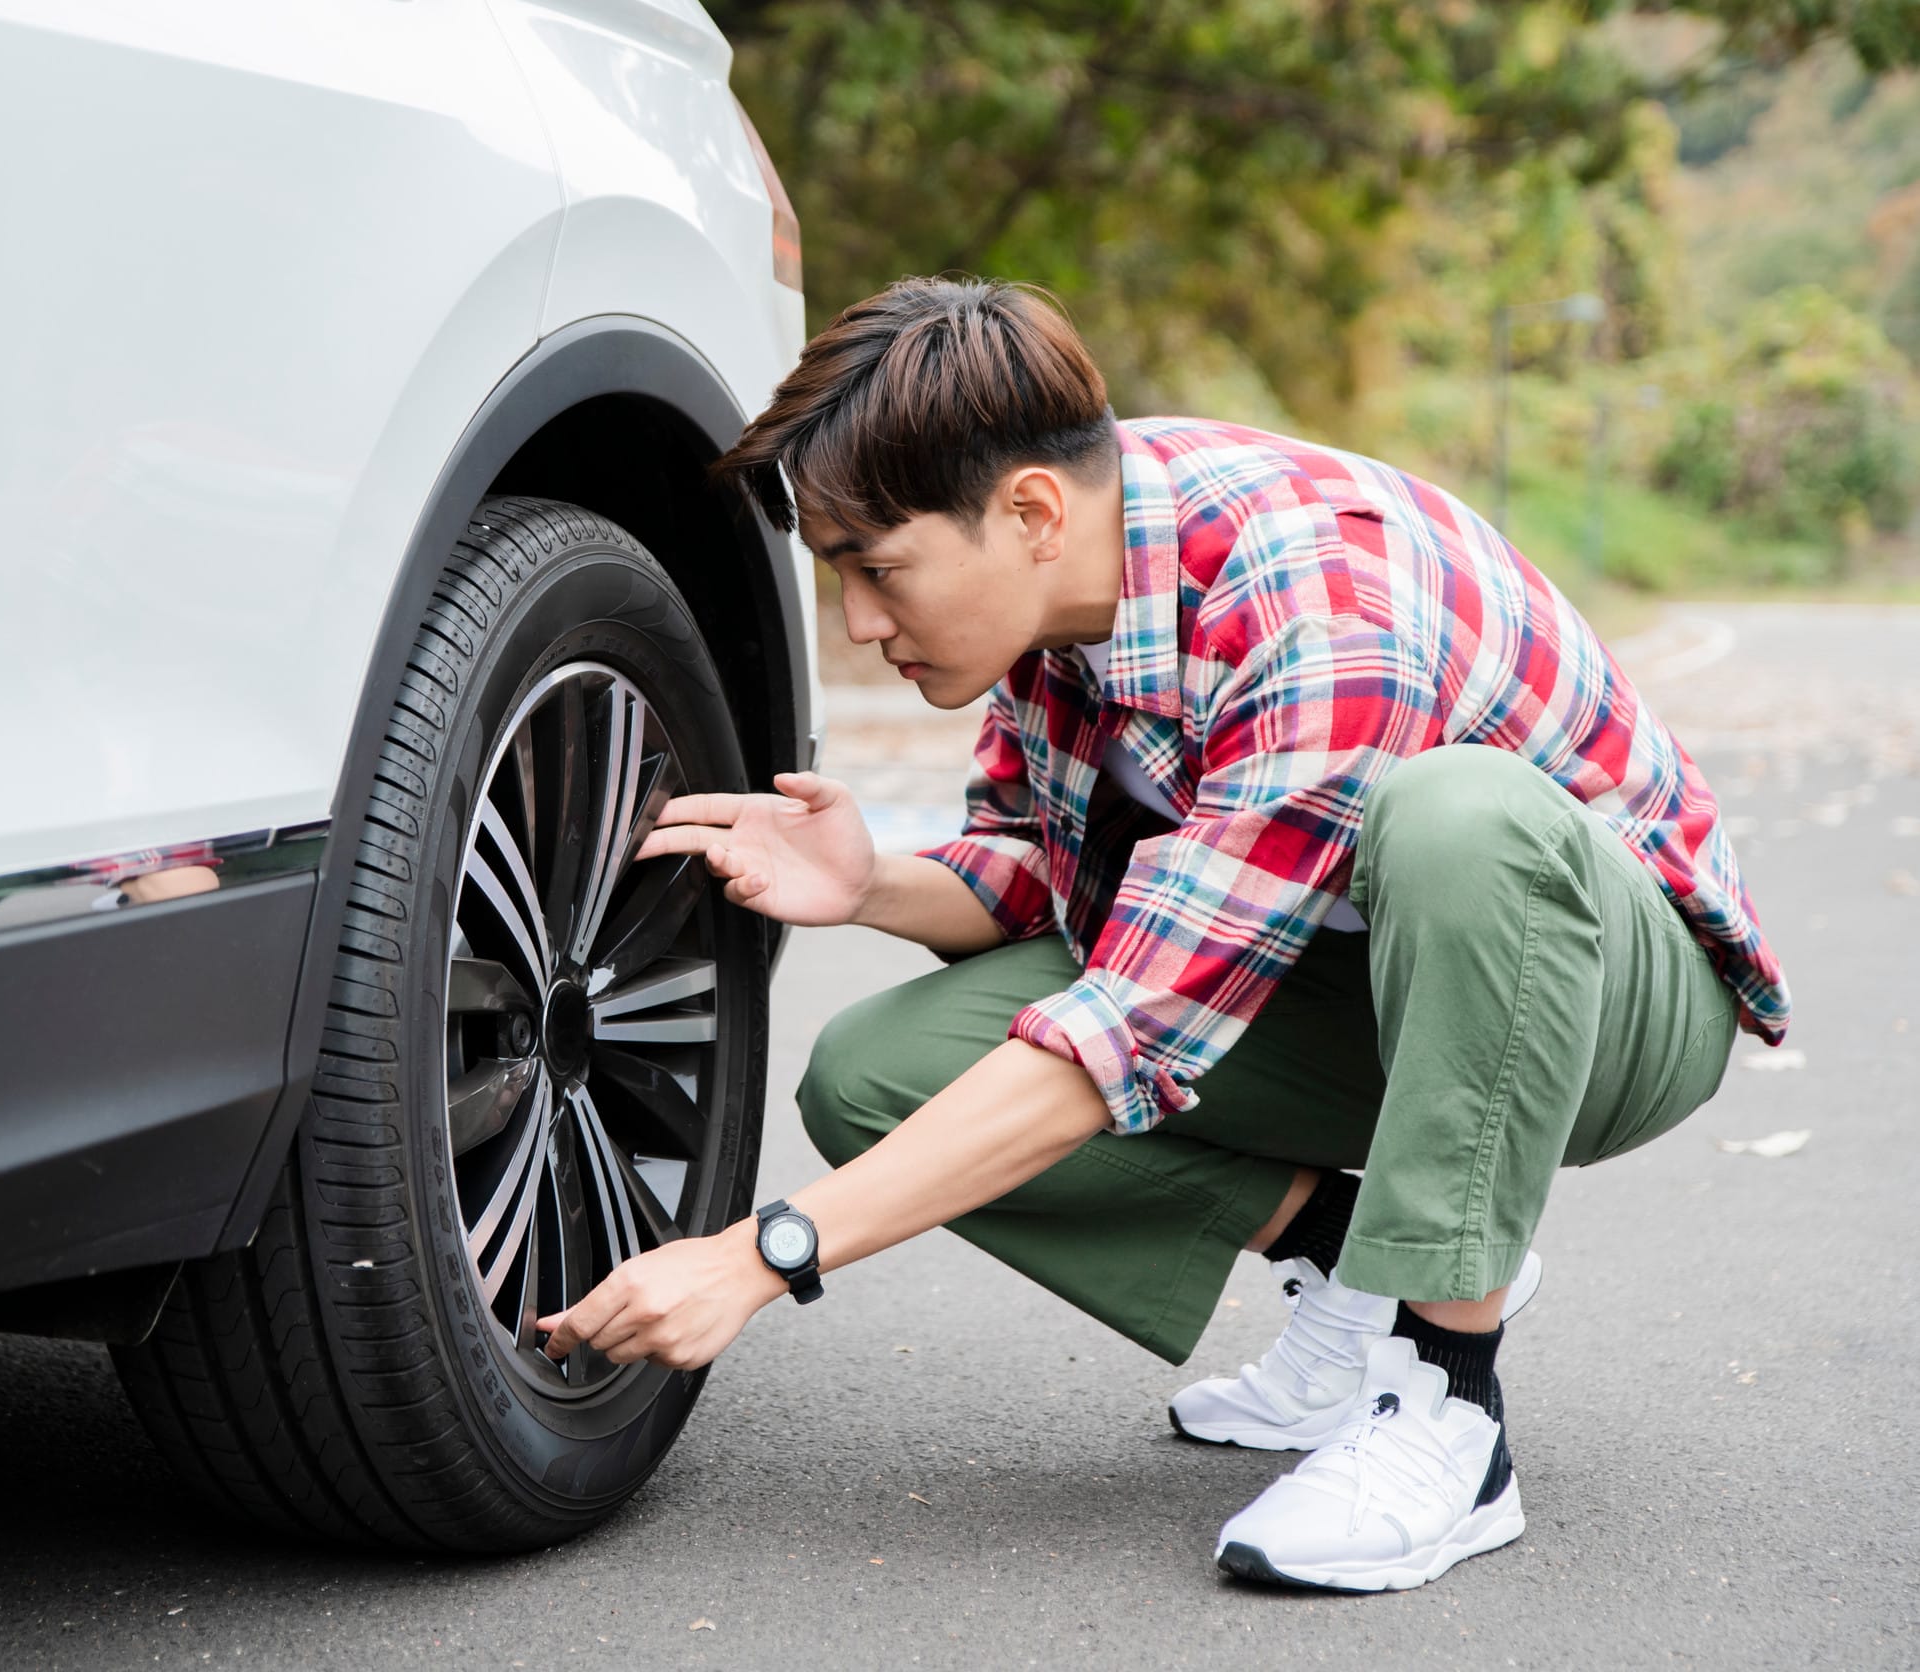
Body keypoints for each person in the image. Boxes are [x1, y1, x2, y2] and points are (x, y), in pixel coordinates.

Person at [532, 274, 1789, 1593]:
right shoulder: (1061, 595)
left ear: (1027, 510)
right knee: (881, 1075)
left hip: (1607, 1009)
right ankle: (1357, 1277)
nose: (858, 622)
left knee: (1458, 817)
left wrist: (759, 1255)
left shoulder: (1313, 604)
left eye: (877, 569)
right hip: (1366, 995)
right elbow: (1058, 885)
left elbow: (1125, 1032)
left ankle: (1445, 1403)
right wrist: (870, 885)